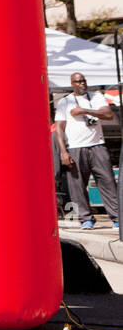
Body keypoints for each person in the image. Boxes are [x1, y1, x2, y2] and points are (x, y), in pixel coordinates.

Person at [54, 74, 119, 230]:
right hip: (76, 147)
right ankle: (86, 219)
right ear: (72, 84)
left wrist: (84, 110)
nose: (82, 83)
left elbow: (109, 115)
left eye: (84, 81)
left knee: (108, 182)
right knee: (77, 185)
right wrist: (63, 152)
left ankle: (117, 217)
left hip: (97, 145)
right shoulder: (64, 102)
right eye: (78, 81)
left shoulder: (96, 97)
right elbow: (59, 129)